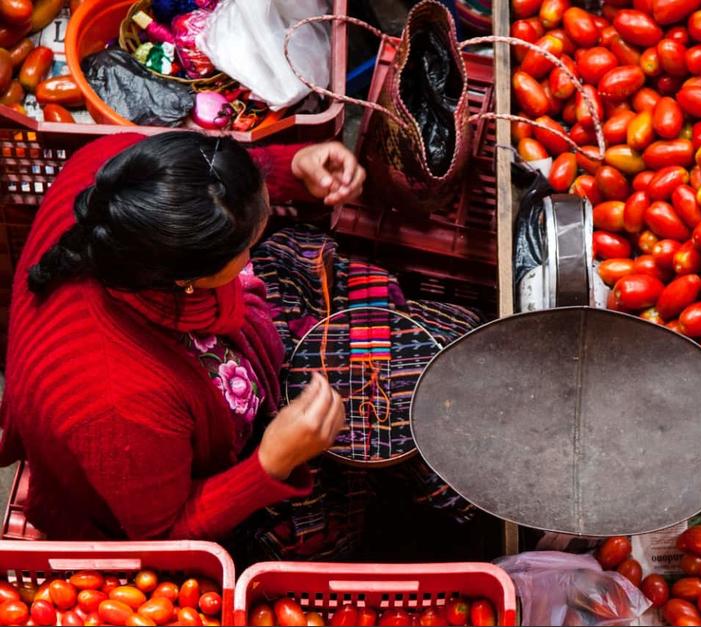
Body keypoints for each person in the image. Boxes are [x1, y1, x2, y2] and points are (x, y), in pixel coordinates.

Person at [0, 130, 475, 550]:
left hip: (204, 347)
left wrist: (292, 166)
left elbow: (221, 185)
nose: (256, 246)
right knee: (332, 519)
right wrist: (270, 462)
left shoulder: (125, 167)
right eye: (248, 244)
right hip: (140, 480)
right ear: (189, 279)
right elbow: (164, 534)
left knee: (337, 279)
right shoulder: (122, 405)